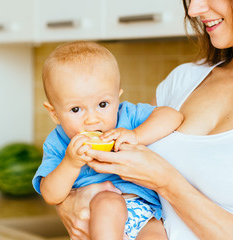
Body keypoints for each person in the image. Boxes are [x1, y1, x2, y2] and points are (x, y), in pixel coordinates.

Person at [55, 0, 233, 239]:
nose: (193, 10)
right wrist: (69, 203)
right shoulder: (182, 81)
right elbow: (106, 172)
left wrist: (167, 183)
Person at [32, 41, 183, 239]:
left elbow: (172, 116)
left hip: (146, 212)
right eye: (76, 109)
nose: (92, 119)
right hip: (98, 216)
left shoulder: (128, 117)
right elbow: (51, 195)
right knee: (108, 202)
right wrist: (70, 163)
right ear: (54, 113)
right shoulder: (58, 142)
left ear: (117, 98)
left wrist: (136, 135)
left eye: (103, 104)